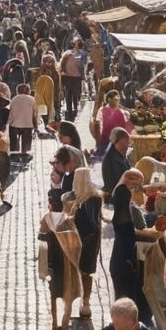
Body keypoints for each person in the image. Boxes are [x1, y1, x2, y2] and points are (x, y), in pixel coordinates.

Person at [62, 167, 101, 319]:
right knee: (85, 271)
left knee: (84, 271)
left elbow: (91, 223)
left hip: (85, 240)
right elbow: (65, 197)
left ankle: (85, 303)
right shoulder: (92, 197)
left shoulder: (88, 200)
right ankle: (83, 301)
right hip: (87, 239)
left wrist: (72, 219)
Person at [109, 169, 148, 316]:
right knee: (127, 294)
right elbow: (137, 227)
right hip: (125, 258)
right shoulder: (125, 201)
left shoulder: (119, 194)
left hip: (119, 256)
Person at [7, 83, 38, 159]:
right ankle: (25, 153)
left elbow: (10, 111)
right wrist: (35, 125)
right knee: (26, 141)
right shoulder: (32, 99)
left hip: (14, 124)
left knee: (14, 142)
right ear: (28, 91)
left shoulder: (14, 99)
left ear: (17, 91)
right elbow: (35, 114)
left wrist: (8, 123)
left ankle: (14, 154)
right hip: (27, 124)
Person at [97, 90, 132, 156]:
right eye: (115, 99)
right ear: (109, 99)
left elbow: (127, 127)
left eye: (117, 99)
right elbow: (99, 125)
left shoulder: (123, 112)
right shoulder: (102, 110)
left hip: (120, 139)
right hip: (106, 139)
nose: (117, 101)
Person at [101, 127, 132, 199]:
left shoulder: (120, 154)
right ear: (118, 141)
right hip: (116, 193)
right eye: (126, 140)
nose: (128, 142)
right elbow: (120, 179)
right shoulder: (113, 158)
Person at [60, 39, 86, 121]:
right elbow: (62, 63)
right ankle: (70, 110)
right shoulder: (68, 53)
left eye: (77, 43)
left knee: (74, 94)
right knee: (69, 94)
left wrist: (82, 75)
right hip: (69, 76)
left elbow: (82, 65)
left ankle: (73, 109)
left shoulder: (82, 53)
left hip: (75, 77)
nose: (76, 44)